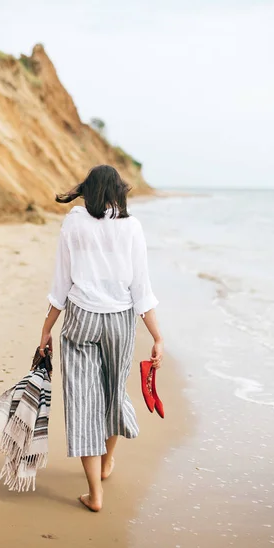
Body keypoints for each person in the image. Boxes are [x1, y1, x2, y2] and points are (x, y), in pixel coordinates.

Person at [39, 165, 163, 511]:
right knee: (112, 392)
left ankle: (95, 494)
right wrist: (157, 336)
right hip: (120, 321)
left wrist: (47, 328)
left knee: (82, 403)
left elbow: (61, 283)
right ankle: (107, 462)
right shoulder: (132, 227)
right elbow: (141, 289)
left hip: (80, 317)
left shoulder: (74, 222)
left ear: (87, 191)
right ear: (118, 192)